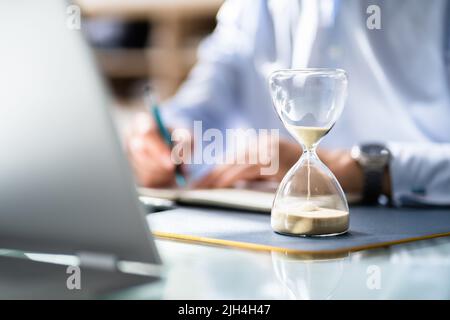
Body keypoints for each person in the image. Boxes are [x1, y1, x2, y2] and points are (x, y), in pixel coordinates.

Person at [127, 0, 450, 206]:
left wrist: (358, 170)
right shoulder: (251, 8)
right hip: (268, 234)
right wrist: (167, 133)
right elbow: (206, 99)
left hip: (421, 227)